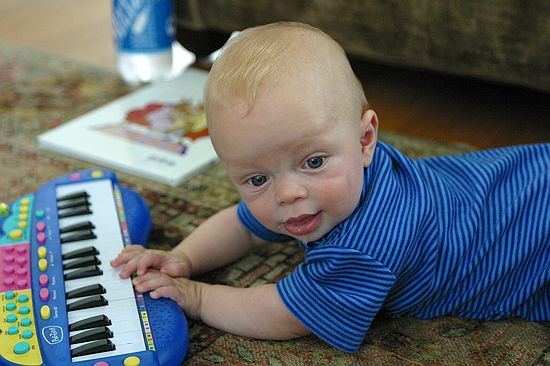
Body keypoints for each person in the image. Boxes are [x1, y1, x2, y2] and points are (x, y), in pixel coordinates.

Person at [111, 22, 550, 352]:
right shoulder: (340, 173)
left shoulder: (365, 246)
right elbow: (242, 225)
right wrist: (181, 258)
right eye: (257, 179)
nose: (288, 194)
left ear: (365, 140)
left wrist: (198, 296)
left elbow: (287, 314)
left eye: (313, 162)